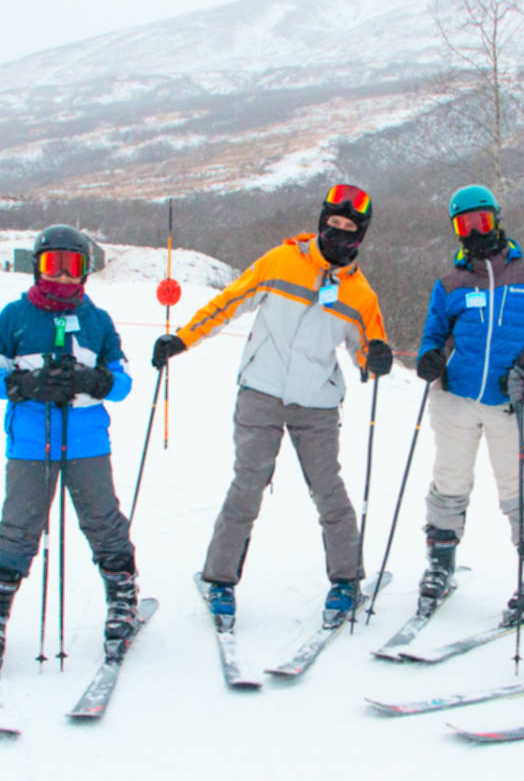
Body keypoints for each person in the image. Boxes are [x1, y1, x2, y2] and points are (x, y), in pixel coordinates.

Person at [151, 184, 392, 626]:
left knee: (329, 492)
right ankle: (219, 580)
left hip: (317, 405)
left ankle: (345, 581)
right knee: (248, 485)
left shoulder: (361, 295)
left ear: (360, 236)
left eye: (348, 229)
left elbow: (366, 354)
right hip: (261, 391)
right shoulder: (281, 262)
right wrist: (183, 338)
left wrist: (376, 359)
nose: (338, 234)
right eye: (332, 225)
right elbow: (230, 302)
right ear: (321, 223)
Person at [0, 224, 138, 675]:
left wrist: (96, 380)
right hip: (30, 443)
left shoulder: (97, 320)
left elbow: (122, 383)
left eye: (72, 266)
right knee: (20, 525)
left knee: (103, 520)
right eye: (53, 265)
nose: (63, 277)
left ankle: (122, 596)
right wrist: (21, 384)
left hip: (87, 443)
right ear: (37, 266)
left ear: (85, 271)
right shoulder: (15, 316)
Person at [414, 184, 524, 625]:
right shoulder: (451, 283)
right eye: (464, 224)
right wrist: (429, 357)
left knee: (517, 488)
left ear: (496, 218)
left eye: (481, 221)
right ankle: (441, 565)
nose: (475, 231)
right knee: (450, 481)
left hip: (509, 402)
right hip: (456, 397)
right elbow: (433, 334)